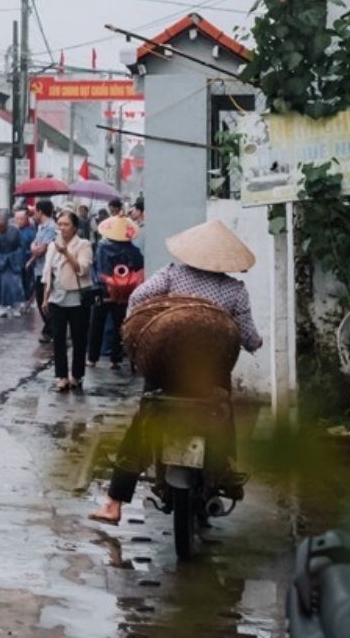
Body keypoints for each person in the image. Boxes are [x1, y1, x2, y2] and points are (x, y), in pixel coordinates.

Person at [90, 219, 261, 525]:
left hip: (164, 369)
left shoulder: (172, 274)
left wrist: (137, 327)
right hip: (209, 375)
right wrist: (255, 342)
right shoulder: (235, 290)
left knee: (143, 425)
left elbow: (138, 298)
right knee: (222, 415)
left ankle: (114, 503)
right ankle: (223, 471)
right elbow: (248, 336)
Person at [42, 210, 94, 392]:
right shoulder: (52, 246)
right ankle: (62, 376)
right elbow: (48, 272)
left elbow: (83, 269)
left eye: (66, 224)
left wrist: (66, 253)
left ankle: (77, 376)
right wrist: (45, 297)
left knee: (79, 338)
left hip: (76, 298)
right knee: (58, 338)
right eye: (60, 224)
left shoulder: (83, 245)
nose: (62, 228)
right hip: (56, 297)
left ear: (75, 228)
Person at [88, 214, 145, 370]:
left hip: (103, 291)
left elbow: (99, 270)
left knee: (97, 324)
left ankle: (92, 358)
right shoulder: (134, 250)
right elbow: (139, 268)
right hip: (124, 292)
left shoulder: (102, 247)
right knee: (120, 324)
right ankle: (116, 359)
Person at [28, 199, 58, 341]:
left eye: (35, 211)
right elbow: (34, 244)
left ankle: (51, 330)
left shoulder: (51, 227)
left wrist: (34, 249)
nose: (33, 214)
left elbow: (41, 249)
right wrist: (32, 255)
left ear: (40, 211)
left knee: (45, 301)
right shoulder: (41, 227)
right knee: (41, 300)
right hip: (39, 268)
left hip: (47, 269)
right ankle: (51, 329)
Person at [0, 211, 27, 317]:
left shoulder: (15, 231)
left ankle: (16, 307)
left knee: (15, 286)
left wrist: (16, 256)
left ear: (7, 222)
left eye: (3, 224)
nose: (1, 227)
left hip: (13, 262)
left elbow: (21, 246)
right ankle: (0, 309)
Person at [16, 208, 38, 316]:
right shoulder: (14, 230)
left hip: (27, 260)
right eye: (17, 219)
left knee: (27, 281)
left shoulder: (31, 232)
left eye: (22, 219)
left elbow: (35, 247)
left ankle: (28, 299)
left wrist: (29, 255)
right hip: (16, 261)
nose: (19, 221)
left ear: (26, 219)